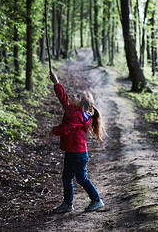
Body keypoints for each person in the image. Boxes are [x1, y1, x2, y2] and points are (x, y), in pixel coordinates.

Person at [49, 72, 104, 213]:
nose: (74, 96)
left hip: (78, 154)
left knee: (81, 178)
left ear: (81, 105)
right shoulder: (74, 110)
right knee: (66, 177)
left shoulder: (77, 115)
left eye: (78, 97)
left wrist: (54, 130)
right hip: (72, 151)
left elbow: (66, 129)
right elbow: (64, 99)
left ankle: (97, 200)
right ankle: (68, 204)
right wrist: (56, 83)